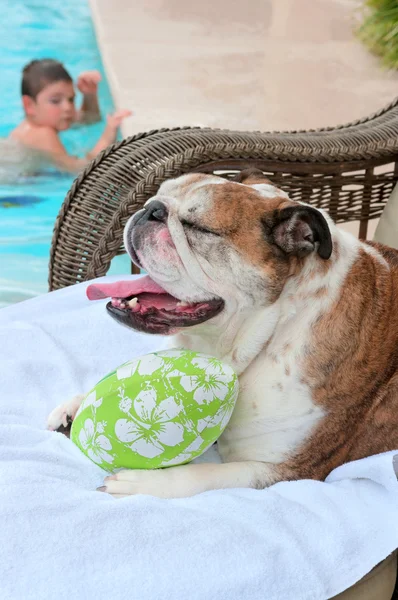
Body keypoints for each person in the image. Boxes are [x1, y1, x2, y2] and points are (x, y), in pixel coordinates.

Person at [9, 59, 132, 173]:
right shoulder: (42, 134)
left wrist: (89, 94)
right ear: (29, 105)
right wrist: (108, 136)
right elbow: (79, 169)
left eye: (71, 99)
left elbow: (90, 119)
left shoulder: (43, 122)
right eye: (55, 101)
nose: (67, 107)